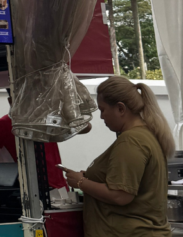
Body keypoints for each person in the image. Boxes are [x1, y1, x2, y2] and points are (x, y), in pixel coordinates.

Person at [63, 76, 175, 237]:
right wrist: (91, 178)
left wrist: (80, 182)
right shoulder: (145, 136)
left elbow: (120, 195)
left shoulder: (131, 141)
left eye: (103, 110)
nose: (101, 117)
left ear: (121, 109)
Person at [0, 89, 76, 192]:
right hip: (26, 195)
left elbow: (84, 127)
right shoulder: (2, 125)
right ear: (11, 101)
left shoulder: (47, 119)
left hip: (60, 190)